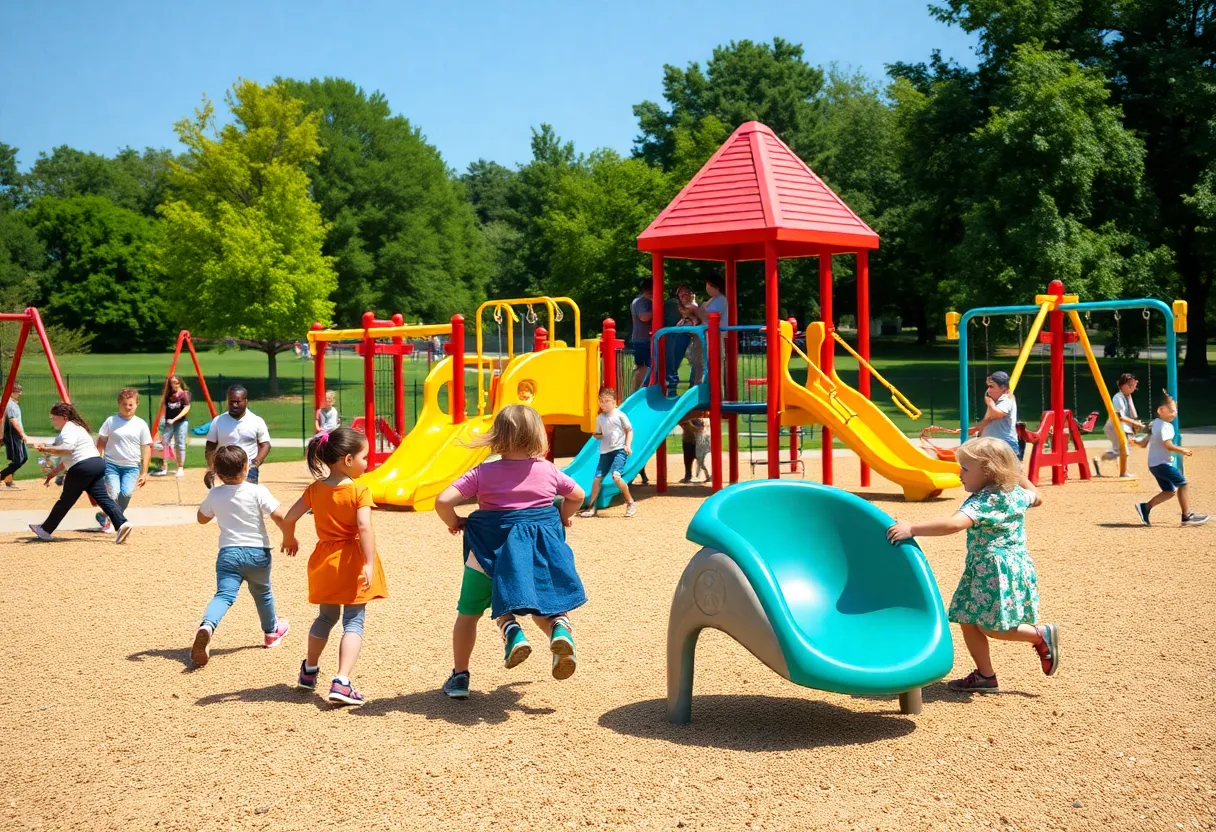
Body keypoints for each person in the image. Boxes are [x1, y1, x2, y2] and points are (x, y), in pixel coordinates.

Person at [434, 404, 586, 699]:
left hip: (488, 553)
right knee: (542, 604)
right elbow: (577, 495)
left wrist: (456, 522)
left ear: (498, 436)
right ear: (537, 434)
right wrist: (563, 515)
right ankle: (559, 629)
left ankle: (463, 674)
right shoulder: (548, 470)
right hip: (532, 557)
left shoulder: (483, 472)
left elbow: (442, 501)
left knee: (468, 614)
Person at [887, 437, 1059, 693]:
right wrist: (1016, 475)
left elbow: (955, 524)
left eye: (966, 469)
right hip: (1000, 566)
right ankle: (985, 676)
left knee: (993, 627)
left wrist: (911, 528)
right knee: (968, 618)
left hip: (993, 570)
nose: (959, 474)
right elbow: (1038, 497)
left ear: (989, 471)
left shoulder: (983, 501)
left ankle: (1040, 634)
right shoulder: (1016, 494)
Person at [280, 428, 388, 706]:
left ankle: (309, 671)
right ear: (348, 459)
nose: (369, 462)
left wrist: (289, 538)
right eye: (365, 457)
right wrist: (367, 562)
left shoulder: (315, 489)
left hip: (325, 560)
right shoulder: (360, 490)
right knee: (354, 621)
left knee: (326, 617)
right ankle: (341, 681)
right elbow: (364, 526)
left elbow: (289, 518)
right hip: (351, 560)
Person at [191, 445, 291, 668]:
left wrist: (214, 498)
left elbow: (201, 518)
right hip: (258, 553)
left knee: (224, 595)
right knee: (263, 593)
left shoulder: (215, 493)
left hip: (229, 554)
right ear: (246, 467)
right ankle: (271, 632)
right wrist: (288, 536)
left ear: (217, 472)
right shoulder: (257, 491)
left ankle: (207, 626)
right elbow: (279, 515)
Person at [29, 402, 132, 544]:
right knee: (103, 499)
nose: (52, 419)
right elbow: (68, 458)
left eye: (53, 417)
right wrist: (52, 473)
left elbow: (68, 448)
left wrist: (45, 449)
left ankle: (45, 530)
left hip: (82, 467)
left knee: (65, 501)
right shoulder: (77, 428)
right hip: (96, 464)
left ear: (64, 417)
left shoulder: (68, 428)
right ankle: (122, 523)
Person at [1135, 393, 1208, 527]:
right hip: (1162, 464)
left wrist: (1135, 441)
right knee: (1183, 483)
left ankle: (1145, 507)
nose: (1175, 413)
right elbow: (1167, 444)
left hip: (1154, 465)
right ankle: (1187, 515)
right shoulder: (1166, 426)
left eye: (1176, 410)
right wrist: (1182, 450)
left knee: (1169, 491)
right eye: (1172, 410)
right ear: (1160, 410)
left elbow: (1144, 442)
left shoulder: (1155, 424)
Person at [94, 388, 153, 533]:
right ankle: (116, 522)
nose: (127, 407)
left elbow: (146, 448)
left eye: (131, 404)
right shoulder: (111, 421)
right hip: (111, 465)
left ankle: (104, 515)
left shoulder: (141, 424)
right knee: (114, 494)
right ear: (118, 404)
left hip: (132, 466)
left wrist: (144, 472)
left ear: (136, 405)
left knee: (125, 494)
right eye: (124, 404)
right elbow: (101, 441)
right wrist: (98, 459)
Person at [579, 387, 636, 518]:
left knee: (616, 476)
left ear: (614, 402)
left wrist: (627, 445)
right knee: (597, 478)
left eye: (606, 401)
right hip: (605, 451)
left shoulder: (620, 415)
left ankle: (630, 502)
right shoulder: (600, 418)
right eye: (601, 401)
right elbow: (600, 434)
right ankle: (592, 507)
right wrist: (595, 435)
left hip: (619, 450)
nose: (603, 404)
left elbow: (629, 430)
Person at [205, 385, 270, 488]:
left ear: (246, 401)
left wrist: (255, 463)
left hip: (248, 469)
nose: (234, 405)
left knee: (248, 499)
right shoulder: (218, 421)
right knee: (224, 499)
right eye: (231, 401)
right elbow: (210, 446)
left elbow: (265, 444)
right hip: (224, 469)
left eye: (238, 402)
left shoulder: (257, 421)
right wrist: (211, 468)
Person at [1093, 373, 1142, 478]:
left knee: (1117, 451)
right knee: (1124, 450)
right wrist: (1135, 423)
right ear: (1122, 385)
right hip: (1113, 426)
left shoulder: (1127, 397)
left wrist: (1136, 423)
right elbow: (1119, 417)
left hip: (1119, 426)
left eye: (1133, 386)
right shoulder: (1118, 398)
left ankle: (1097, 460)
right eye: (1130, 385)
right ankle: (1123, 473)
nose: (1132, 388)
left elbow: (1133, 414)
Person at [970, 371, 1020, 460]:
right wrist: (978, 431)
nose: (988, 390)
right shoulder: (995, 401)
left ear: (1003, 387)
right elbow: (988, 419)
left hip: (1004, 445)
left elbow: (999, 414)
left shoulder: (1006, 399)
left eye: (991, 386)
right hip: (992, 445)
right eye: (988, 386)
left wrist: (990, 404)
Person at [155, 375, 192, 478]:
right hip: (168, 423)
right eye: (171, 383)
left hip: (181, 422)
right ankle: (164, 467)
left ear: (180, 383)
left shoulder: (184, 394)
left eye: (175, 382)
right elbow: (164, 408)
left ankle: (180, 467)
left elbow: (186, 408)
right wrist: (162, 421)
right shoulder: (169, 395)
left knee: (179, 444)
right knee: (163, 443)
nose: (173, 385)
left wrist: (174, 419)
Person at [663, 285, 690, 394]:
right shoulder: (674, 305)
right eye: (682, 294)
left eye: (687, 293)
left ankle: (692, 389)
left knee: (697, 366)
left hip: (689, 338)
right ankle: (672, 388)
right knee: (672, 363)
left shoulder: (694, 306)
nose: (685, 296)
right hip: (677, 336)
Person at [2, 384, 29, 488]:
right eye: (18, 391)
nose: (20, 393)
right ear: (12, 392)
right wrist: (21, 433)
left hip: (16, 434)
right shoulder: (9, 404)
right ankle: (4, 478)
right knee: (18, 459)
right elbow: (13, 421)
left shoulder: (12, 403)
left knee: (22, 458)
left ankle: (8, 480)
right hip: (13, 434)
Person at [629, 279, 654, 392]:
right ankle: (636, 392)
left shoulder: (646, 301)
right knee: (642, 367)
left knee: (648, 367)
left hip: (647, 339)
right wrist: (657, 307)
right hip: (641, 340)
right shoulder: (640, 301)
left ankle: (643, 390)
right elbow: (644, 317)